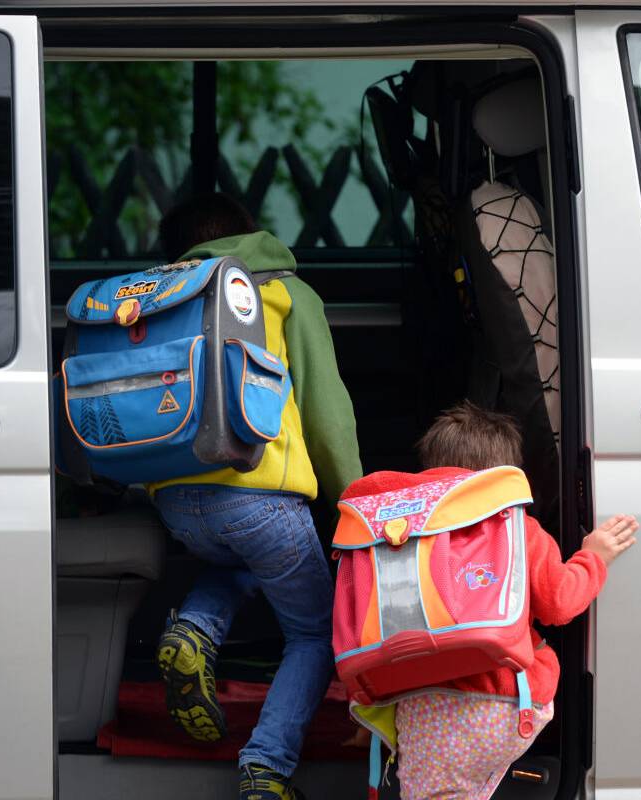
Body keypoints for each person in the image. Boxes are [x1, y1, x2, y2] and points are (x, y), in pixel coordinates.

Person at [148, 193, 362, 800]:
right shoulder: (283, 291)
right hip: (260, 496)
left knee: (243, 561)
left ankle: (194, 626)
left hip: (176, 501)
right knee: (315, 632)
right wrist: (355, 500)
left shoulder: (161, 295)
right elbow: (326, 413)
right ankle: (266, 767)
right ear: (251, 234)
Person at [338, 401, 637, 800]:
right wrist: (593, 558)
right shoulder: (516, 529)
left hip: (418, 708)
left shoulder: (395, 538)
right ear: (504, 476)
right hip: (502, 703)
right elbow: (559, 603)